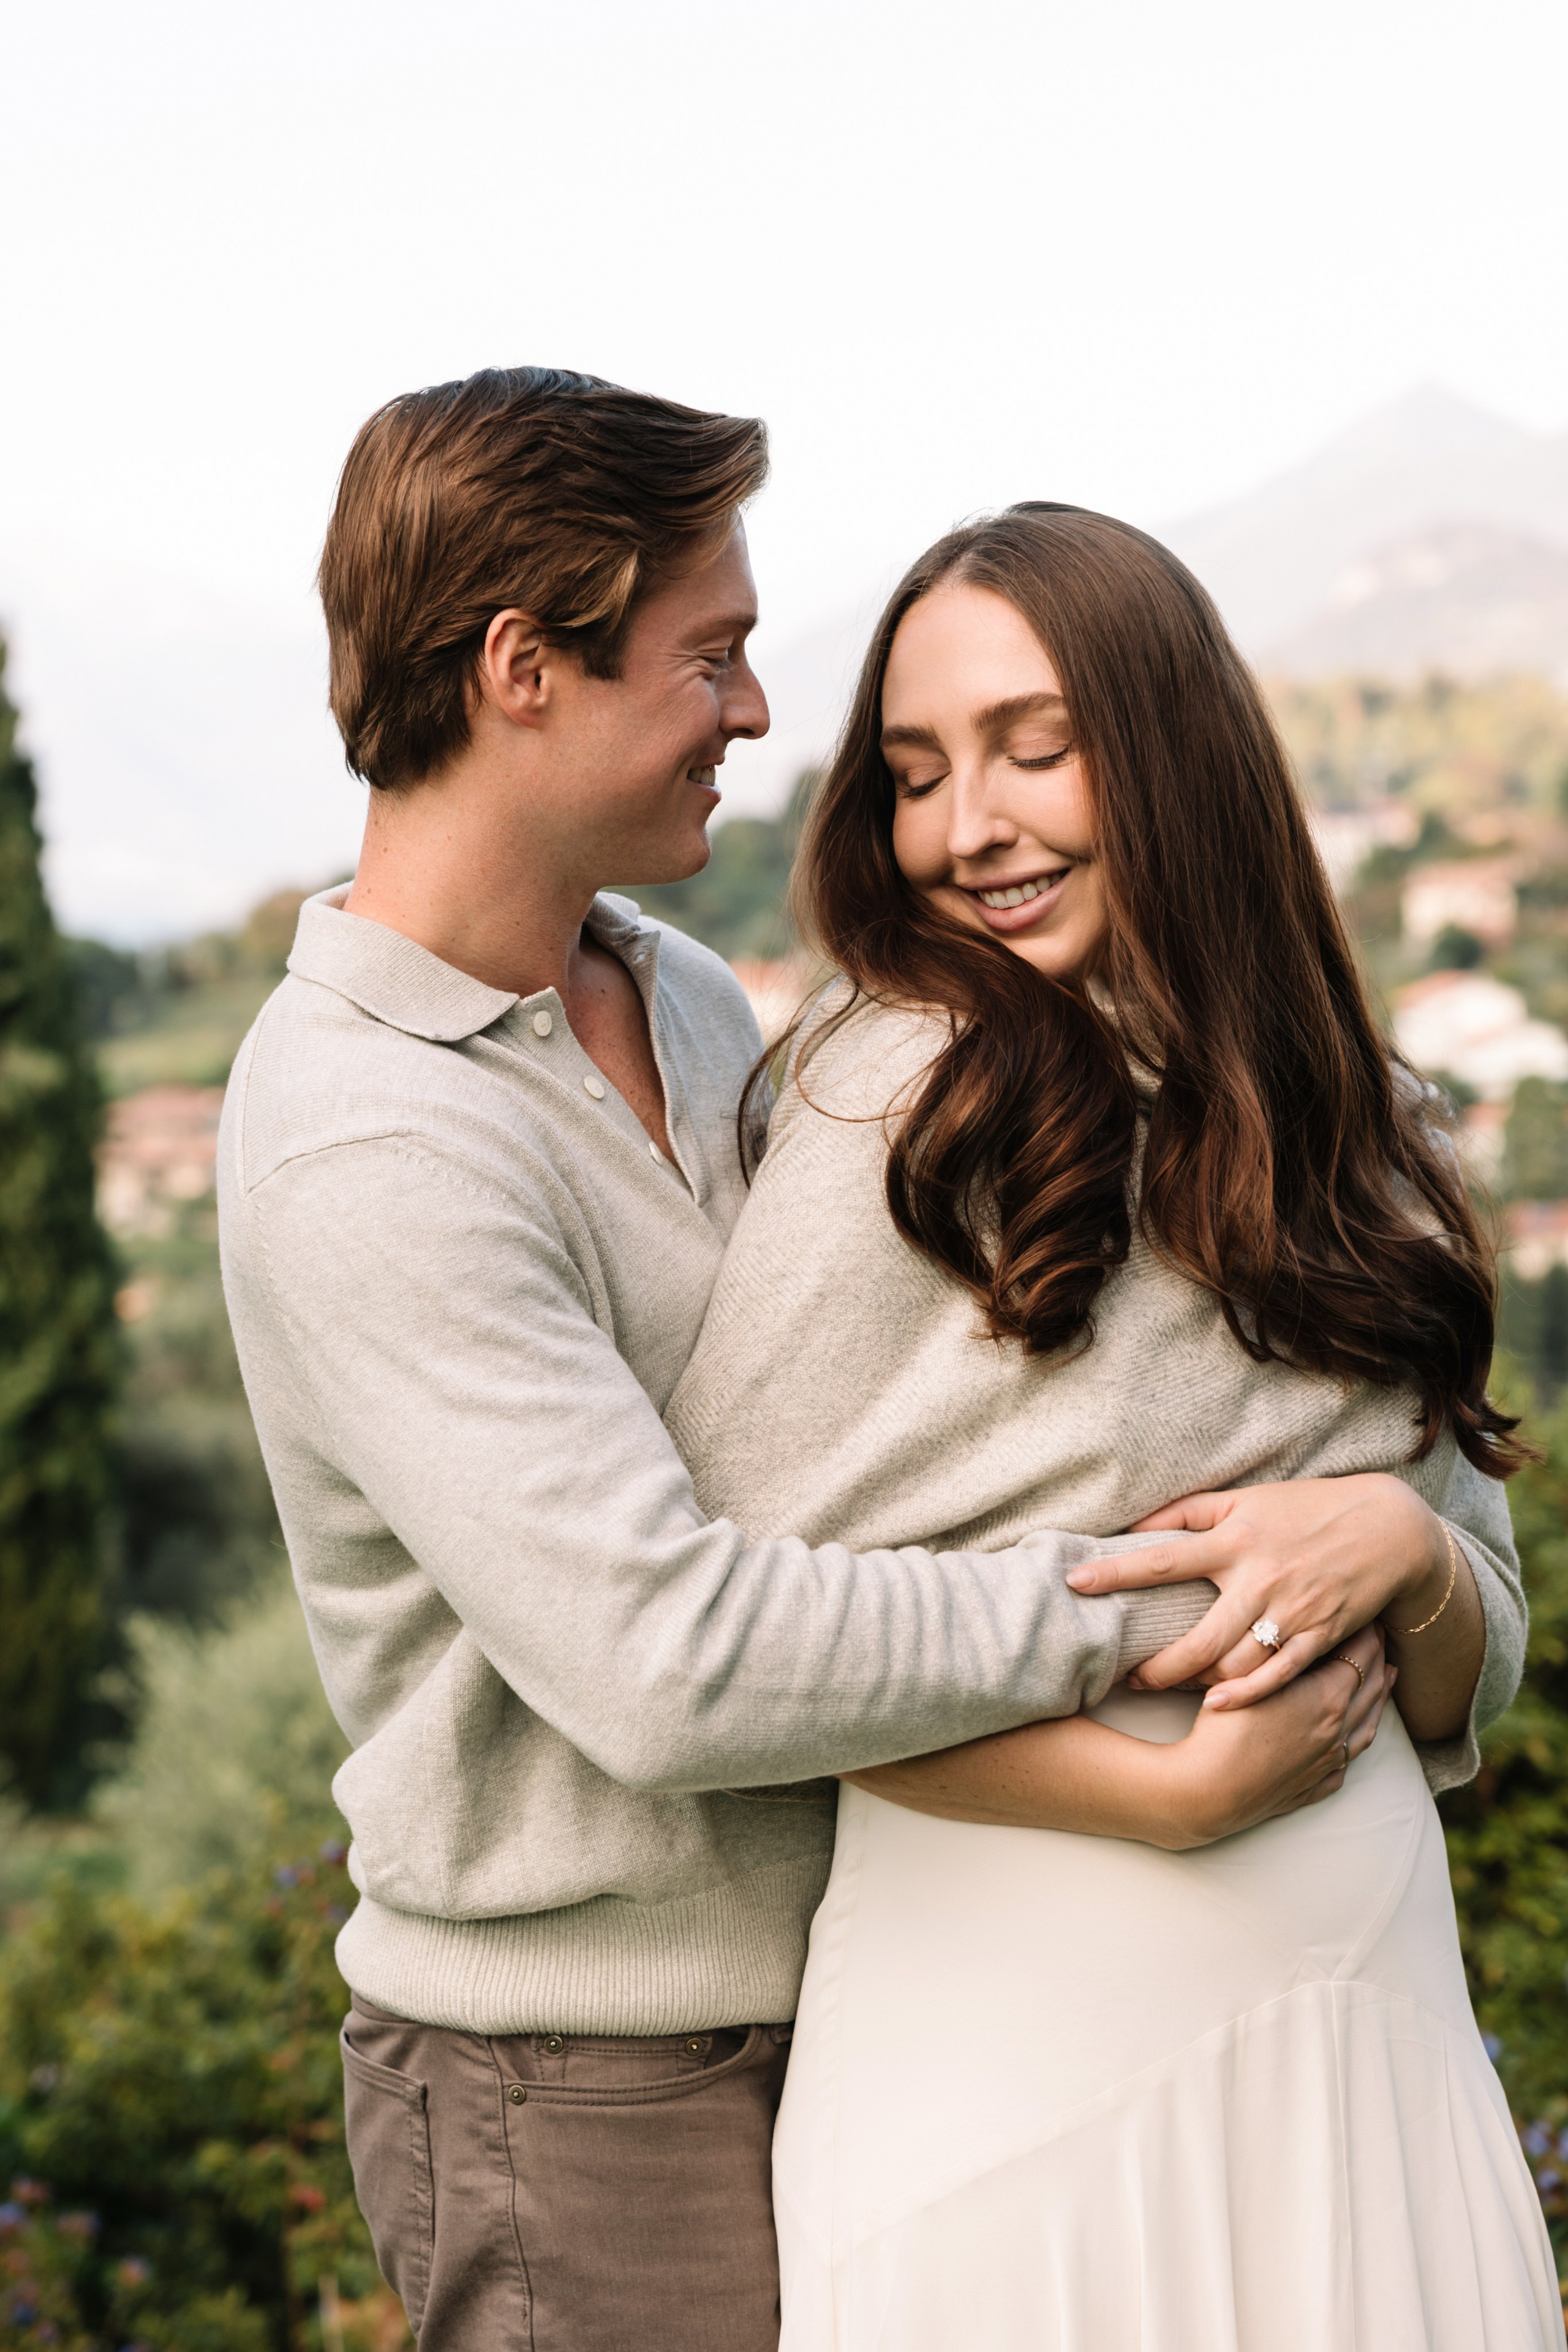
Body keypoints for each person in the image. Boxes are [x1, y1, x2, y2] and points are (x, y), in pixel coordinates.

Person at [219, 374, 1504, 2351]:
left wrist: (1392, 1552)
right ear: (520, 670)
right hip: (591, 2071)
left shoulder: (694, 1000)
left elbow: (944, 1437)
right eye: (712, 656)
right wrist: (1189, 1607)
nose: (753, 709)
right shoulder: (367, 1143)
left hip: (845, 1974)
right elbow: (676, 1654)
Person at [664, 502, 1559, 2349]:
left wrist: (1401, 1555)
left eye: (1033, 749)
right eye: (915, 775)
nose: (967, 825)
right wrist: (1163, 1796)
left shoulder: (1367, 1128)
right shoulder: (890, 1108)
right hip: (1021, 2084)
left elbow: (1487, 1643)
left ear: (1171, 746)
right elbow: (758, 1652)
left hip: (1364, 2052)